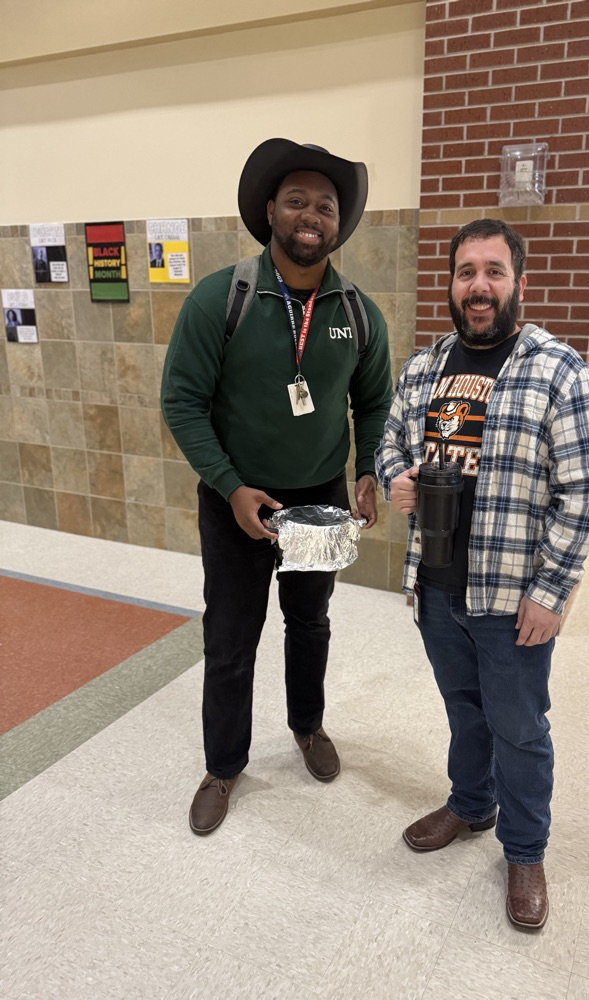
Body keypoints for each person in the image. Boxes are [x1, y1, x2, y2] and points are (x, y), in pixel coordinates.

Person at [375, 218, 589, 929]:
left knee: (520, 726)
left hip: (513, 597)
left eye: (493, 272)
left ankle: (526, 850)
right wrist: (395, 479)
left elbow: (584, 491)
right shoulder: (423, 367)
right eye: (466, 271)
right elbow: (388, 441)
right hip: (436, 587)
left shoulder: (556, 369)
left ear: (518, 285)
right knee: (463, 709)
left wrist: (551, 592)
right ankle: (471, 806)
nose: (479, 286)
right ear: (451, 284)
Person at [161, 138, 392, 836]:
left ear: (337, 224)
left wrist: (367, 468)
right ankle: (223, 766)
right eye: (297, 199)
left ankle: (307, 726)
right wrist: (230, 486)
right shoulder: (220, 299)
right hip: (237, 504)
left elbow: (374, 403)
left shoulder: (357, 313)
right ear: (270, 211)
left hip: (319, 501)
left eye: (325, 204)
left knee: (310, 622)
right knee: (231, 638)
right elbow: (182, 403)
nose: (311, 213)